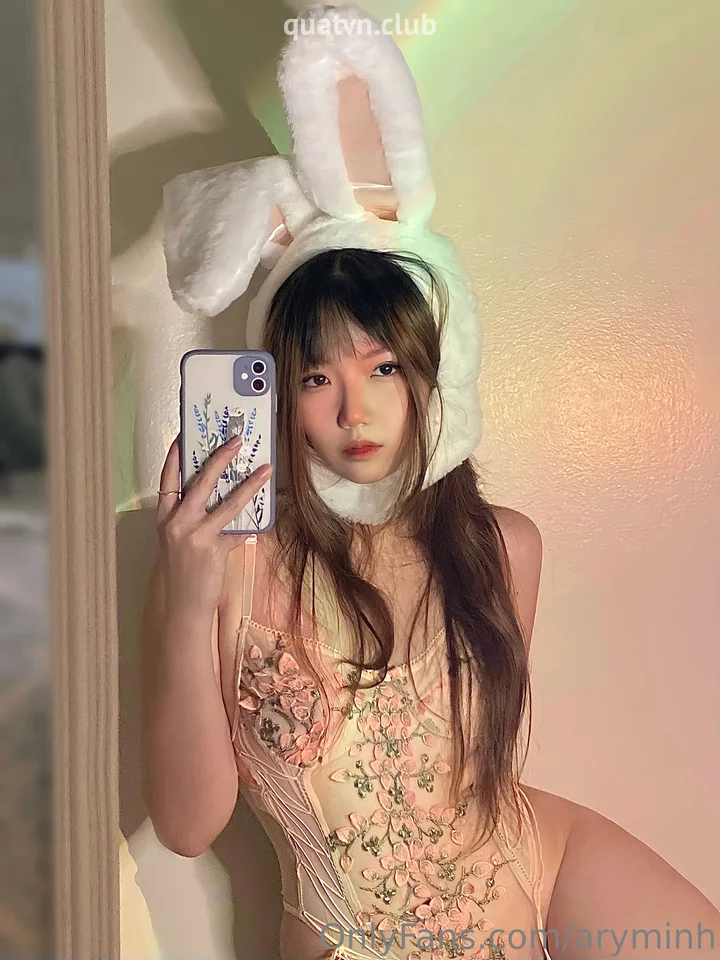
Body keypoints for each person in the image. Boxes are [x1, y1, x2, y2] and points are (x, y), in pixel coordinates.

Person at [141, 248, 720, 960]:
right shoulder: (227, 563)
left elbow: (476, 779)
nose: (355, 411)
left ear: (430, 374)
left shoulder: (502, 548)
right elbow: (187, 828)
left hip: (535, 869)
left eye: (382, 368)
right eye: (318, 378)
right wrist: (188, 599)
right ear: (283, 398)